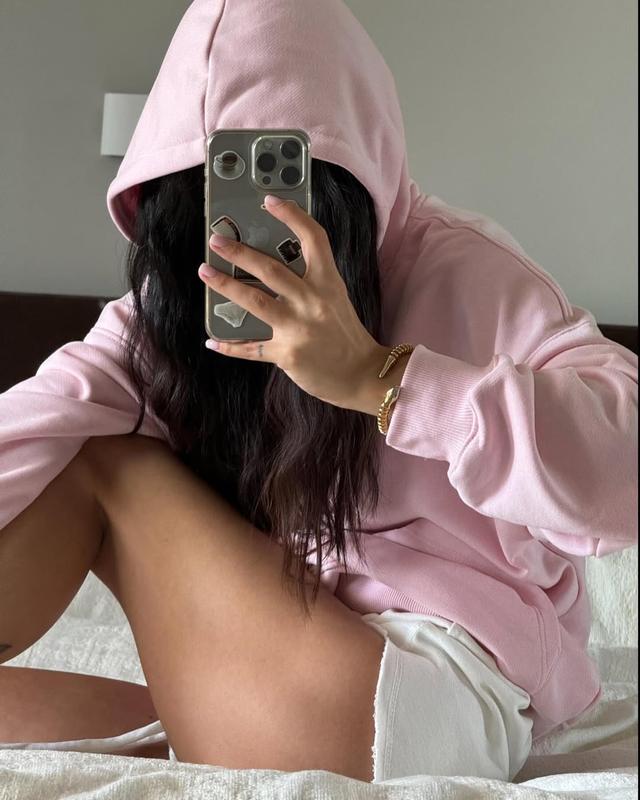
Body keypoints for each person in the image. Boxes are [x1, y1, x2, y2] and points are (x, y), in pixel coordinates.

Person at [0, 0, 637, 785]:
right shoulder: (180, 303)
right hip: (309, 680)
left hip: (420, 693)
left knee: (106, 464)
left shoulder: (465, 269)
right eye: (204, 199)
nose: (243, 234)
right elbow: (35, 424)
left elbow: (625, 470)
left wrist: (380, 375)